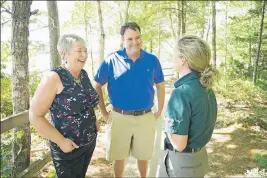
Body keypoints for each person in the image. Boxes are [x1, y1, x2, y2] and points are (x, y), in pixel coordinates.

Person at [94, 22, 165, 178]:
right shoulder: (111, 60)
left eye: (138, 37)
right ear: (122, 40)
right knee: (119, 157)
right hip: (119, 117)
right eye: (130, 39)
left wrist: (159, 110)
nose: (135, 42)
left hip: (145, 117)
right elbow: (97, 85)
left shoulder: (152, 60)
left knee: (143, 156)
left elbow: (160, 85)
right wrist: (104, 112)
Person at [29, 34, 99, 178]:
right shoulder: (53, 78)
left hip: (89, 142)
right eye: (79, 50)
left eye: (85, 50)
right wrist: (61, 142)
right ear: (64, 53)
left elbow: (86, 102)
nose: (84, 55)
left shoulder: (83, 74)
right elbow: (35, 115)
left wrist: (94, 121)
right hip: (68, 149)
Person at [158, 35, 218, 177]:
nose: (172, 59)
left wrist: (166, 124)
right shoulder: (207, 87)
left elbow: (179, 144)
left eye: (174, 55)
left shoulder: (181, 93)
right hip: (199, 160)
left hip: (181, 165)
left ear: (184, 59)